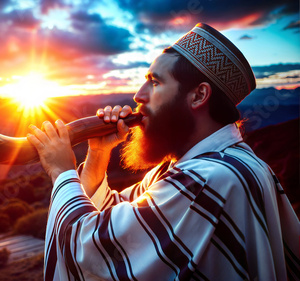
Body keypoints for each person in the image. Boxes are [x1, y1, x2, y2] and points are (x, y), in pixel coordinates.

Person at [27, 23, 300, 281]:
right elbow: (114, 221)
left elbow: (89, 247)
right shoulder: (201, 166)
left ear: (198, 96)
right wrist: (98, 154)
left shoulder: (209, 178)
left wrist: (62, 171)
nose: (138, 95)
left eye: (154, 82)